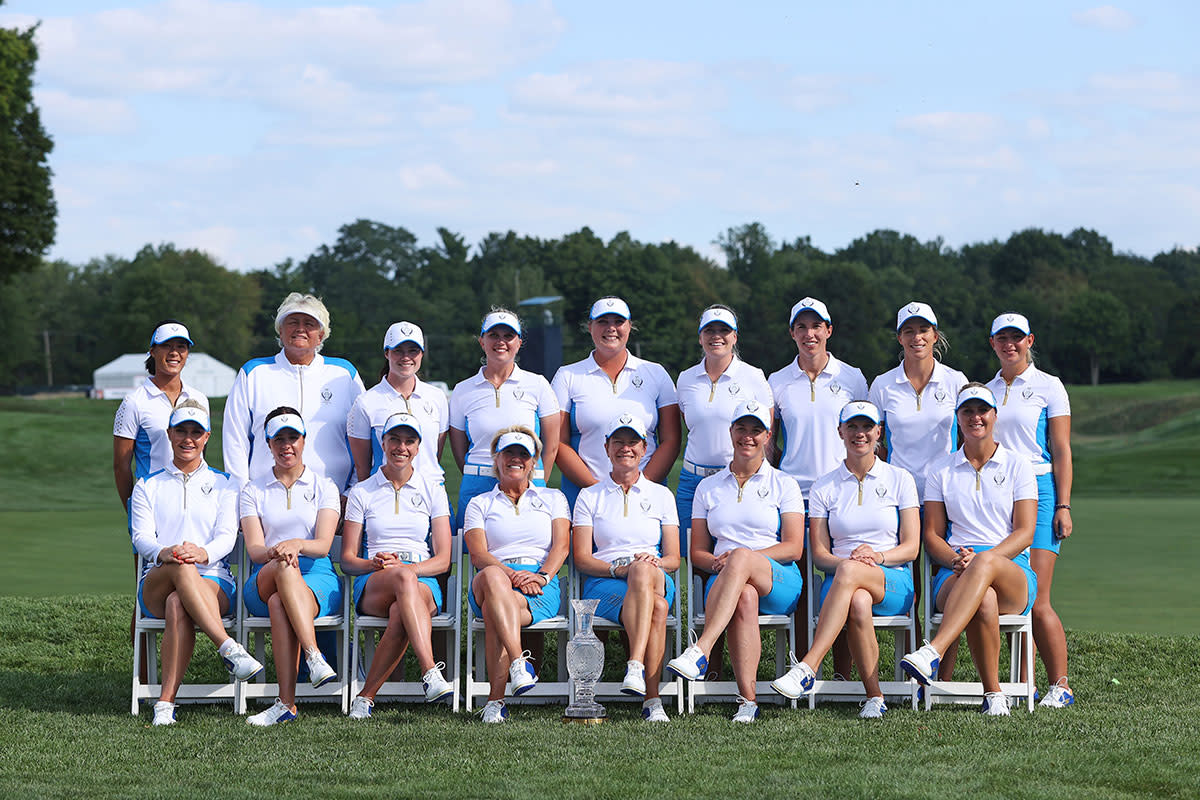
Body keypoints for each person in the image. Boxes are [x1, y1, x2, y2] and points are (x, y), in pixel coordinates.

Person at [770, 401, 920, 719]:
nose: (859, 434)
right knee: (858, 602)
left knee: (857, 582)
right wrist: (850, 565)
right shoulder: (825, 485)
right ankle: (875, 697)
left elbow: (911, 548)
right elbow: (822, 556)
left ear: (879, 431)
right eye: (852, 426)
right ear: (840, 431)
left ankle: (809, 665)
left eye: (867, 427)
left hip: (892, 578)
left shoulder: (900, 479)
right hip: (841, 580)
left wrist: (877, 557)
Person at [900, 384, 1039, 716]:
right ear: (957, 419)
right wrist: (955, 559)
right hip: (956, 569)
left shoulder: (1018, 465)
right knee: (984, 598)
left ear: (994, 415)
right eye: (967, 412)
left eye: (982, 411)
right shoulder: (941, 470)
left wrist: (985, 560)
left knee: (987, 566)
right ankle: (994, 695)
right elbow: (932, 535)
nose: (976, 417)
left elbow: (1025, 531)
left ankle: (933, 650)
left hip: (1011, 570)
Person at [666, 400, 805, 723]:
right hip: (725, 577)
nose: (748, 437)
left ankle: (701, 649)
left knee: (742, 557)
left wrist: (744, 559)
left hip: (779, 577)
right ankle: (748, 701)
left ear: (767, 436)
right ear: (730, 432)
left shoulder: (784, 484)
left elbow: (794, 547)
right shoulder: (708, 487)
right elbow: (697, 551)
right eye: (741, 429)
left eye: (756, 430)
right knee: (744, 595)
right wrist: (718, 562)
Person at [129, 402, 263, 725]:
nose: (188, 439)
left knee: (180, 601)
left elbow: (227, 537)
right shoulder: (147, 485)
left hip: (214, 581)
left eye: (195, 432)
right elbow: (141, 537)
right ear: (170, 434)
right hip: (158, 581)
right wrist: (166, 552)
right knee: (179, 569)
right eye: (181, 431)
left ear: (207, 437)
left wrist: (201, 554)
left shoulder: (226, 484)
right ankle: (228, 647)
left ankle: (164, 704)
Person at [986, 313, 1074, 708]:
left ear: (1029, 341)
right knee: (1013, 594)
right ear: (992, 343)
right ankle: (1027, 684)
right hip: (1000, 493)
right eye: (1002, 338)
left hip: (1039, 489)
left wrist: (1064, 504)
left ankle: (1061, 685)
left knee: (1037, 598)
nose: (1010, 344)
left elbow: (1061, 449)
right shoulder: (985, 390)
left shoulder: (1048, 386)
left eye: (1017, 338)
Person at [341, 412, 455, 719]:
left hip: (421, 579)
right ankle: (430, 671)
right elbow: (348, 560)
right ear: (383, 442)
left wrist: (407, 569)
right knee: (402, 583)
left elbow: (444, 559)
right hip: (376, 580)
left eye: (409, 441)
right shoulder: (362, 491)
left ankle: (365, 698)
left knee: (400, 609)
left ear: (418, 447)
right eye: (394, 439)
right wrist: (374, 562)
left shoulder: (433, 489)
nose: (401, 447)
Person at [572, 413, 681, 722]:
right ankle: (652, 700)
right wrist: (620, 569)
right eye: (617, 442)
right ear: (606, 448)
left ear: (644, 448)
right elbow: (582, 559)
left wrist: (654, 563)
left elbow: (674, 558)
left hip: (655, 574)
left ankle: (635, 663)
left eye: (632, 442)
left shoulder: (661, 495)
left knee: (644, 571)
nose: (625, 448)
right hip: (606, 580)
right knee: (657, 609)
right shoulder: (589, 496)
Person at [239, 408, 344, 726]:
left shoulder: (324, 487)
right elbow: (256, 551)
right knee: (283, 571)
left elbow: (323, 545)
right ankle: (313, 655)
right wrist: (281, 551)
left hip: (317, 578)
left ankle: (286, 704)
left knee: (279, 602)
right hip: (264, 577)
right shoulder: (252, 490)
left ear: (303, 441)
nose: (287, 445)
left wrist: (296, 544)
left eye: (293, 438)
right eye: (279, 439)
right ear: (268, 444)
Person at [463, 427, 570, 723]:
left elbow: (561, 547)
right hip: (491, 578)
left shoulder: (553, 498)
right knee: (494, 579)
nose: (516, 459)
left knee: (498, 608)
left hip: (539, 584)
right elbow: (479, 555)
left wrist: (543, 577)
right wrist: (510, 574)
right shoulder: (480, 503)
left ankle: (495, 702)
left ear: (534, 461)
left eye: (524, 454)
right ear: (496, 459)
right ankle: (518, 662)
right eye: (509, 452)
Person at [224, 293, 364, 493]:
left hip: (333, 501)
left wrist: (351, 492)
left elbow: (364, 438)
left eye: (309, 323)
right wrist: (244, 500)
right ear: (280, 331)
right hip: (264, 500)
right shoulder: (254, 373)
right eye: (292, 322)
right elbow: (234, 440)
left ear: (321, 334)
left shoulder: (344, 374)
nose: (300, 329)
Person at [552, 296, 680, 509]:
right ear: (590, 326)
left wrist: (641, 486)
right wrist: (597, 490)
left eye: (618, 322)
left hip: (646, 497)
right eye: (603, 321)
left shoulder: (656, 373)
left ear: (629, 327)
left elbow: (671, 440)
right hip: (585, 497)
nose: (611, 328)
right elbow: (559, 442)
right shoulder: (567, 375)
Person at [675, 305, 773, 553]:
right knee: (692, 555)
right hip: (692, 480)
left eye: (724, 330)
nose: (716, 336)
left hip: (737, 480)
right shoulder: (686, 379)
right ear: (700, 337)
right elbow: (689, 425)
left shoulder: (753, 376)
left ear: (735, 337)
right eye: (709, 330)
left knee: (731, 553)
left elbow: (766, 435)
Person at [449, 309, 560, 525]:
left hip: (526, 479)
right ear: (482, 341)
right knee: (474, 552)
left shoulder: (538, 384)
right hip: (477, 481)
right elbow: (459, 449)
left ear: (519, 342)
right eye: (493, 335)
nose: (501, 342)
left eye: (508, 336)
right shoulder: (462, 390)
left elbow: (552, 445)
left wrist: (533, 478)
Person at [868, 302, 969, 507]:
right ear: (900, 338)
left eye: (924, 330)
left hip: (946, 492)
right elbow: (872, 441)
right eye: (909, 331)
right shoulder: (882, 384)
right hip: (896, 494)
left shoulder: (956, 381)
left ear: (935, 336)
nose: (917, 338)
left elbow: (971, 435)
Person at [113, 320, 209, 511]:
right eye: (166, 345)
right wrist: (134, 512)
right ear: (153, 351)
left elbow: (200, 456)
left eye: (181, 347)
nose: (174, 352)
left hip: (195, 504)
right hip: (152, 503)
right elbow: (121, 466)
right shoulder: (134, 402)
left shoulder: (200, 399)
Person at [349, 321, 449, 484]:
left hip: (431, 495)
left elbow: (433, 456)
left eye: (413, 351)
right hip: (384, 496)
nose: (406, 357)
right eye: (398, 351)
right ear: (387, 353)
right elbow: (362, 468)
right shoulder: (366, 402)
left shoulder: (437, 397)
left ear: (422, 354)